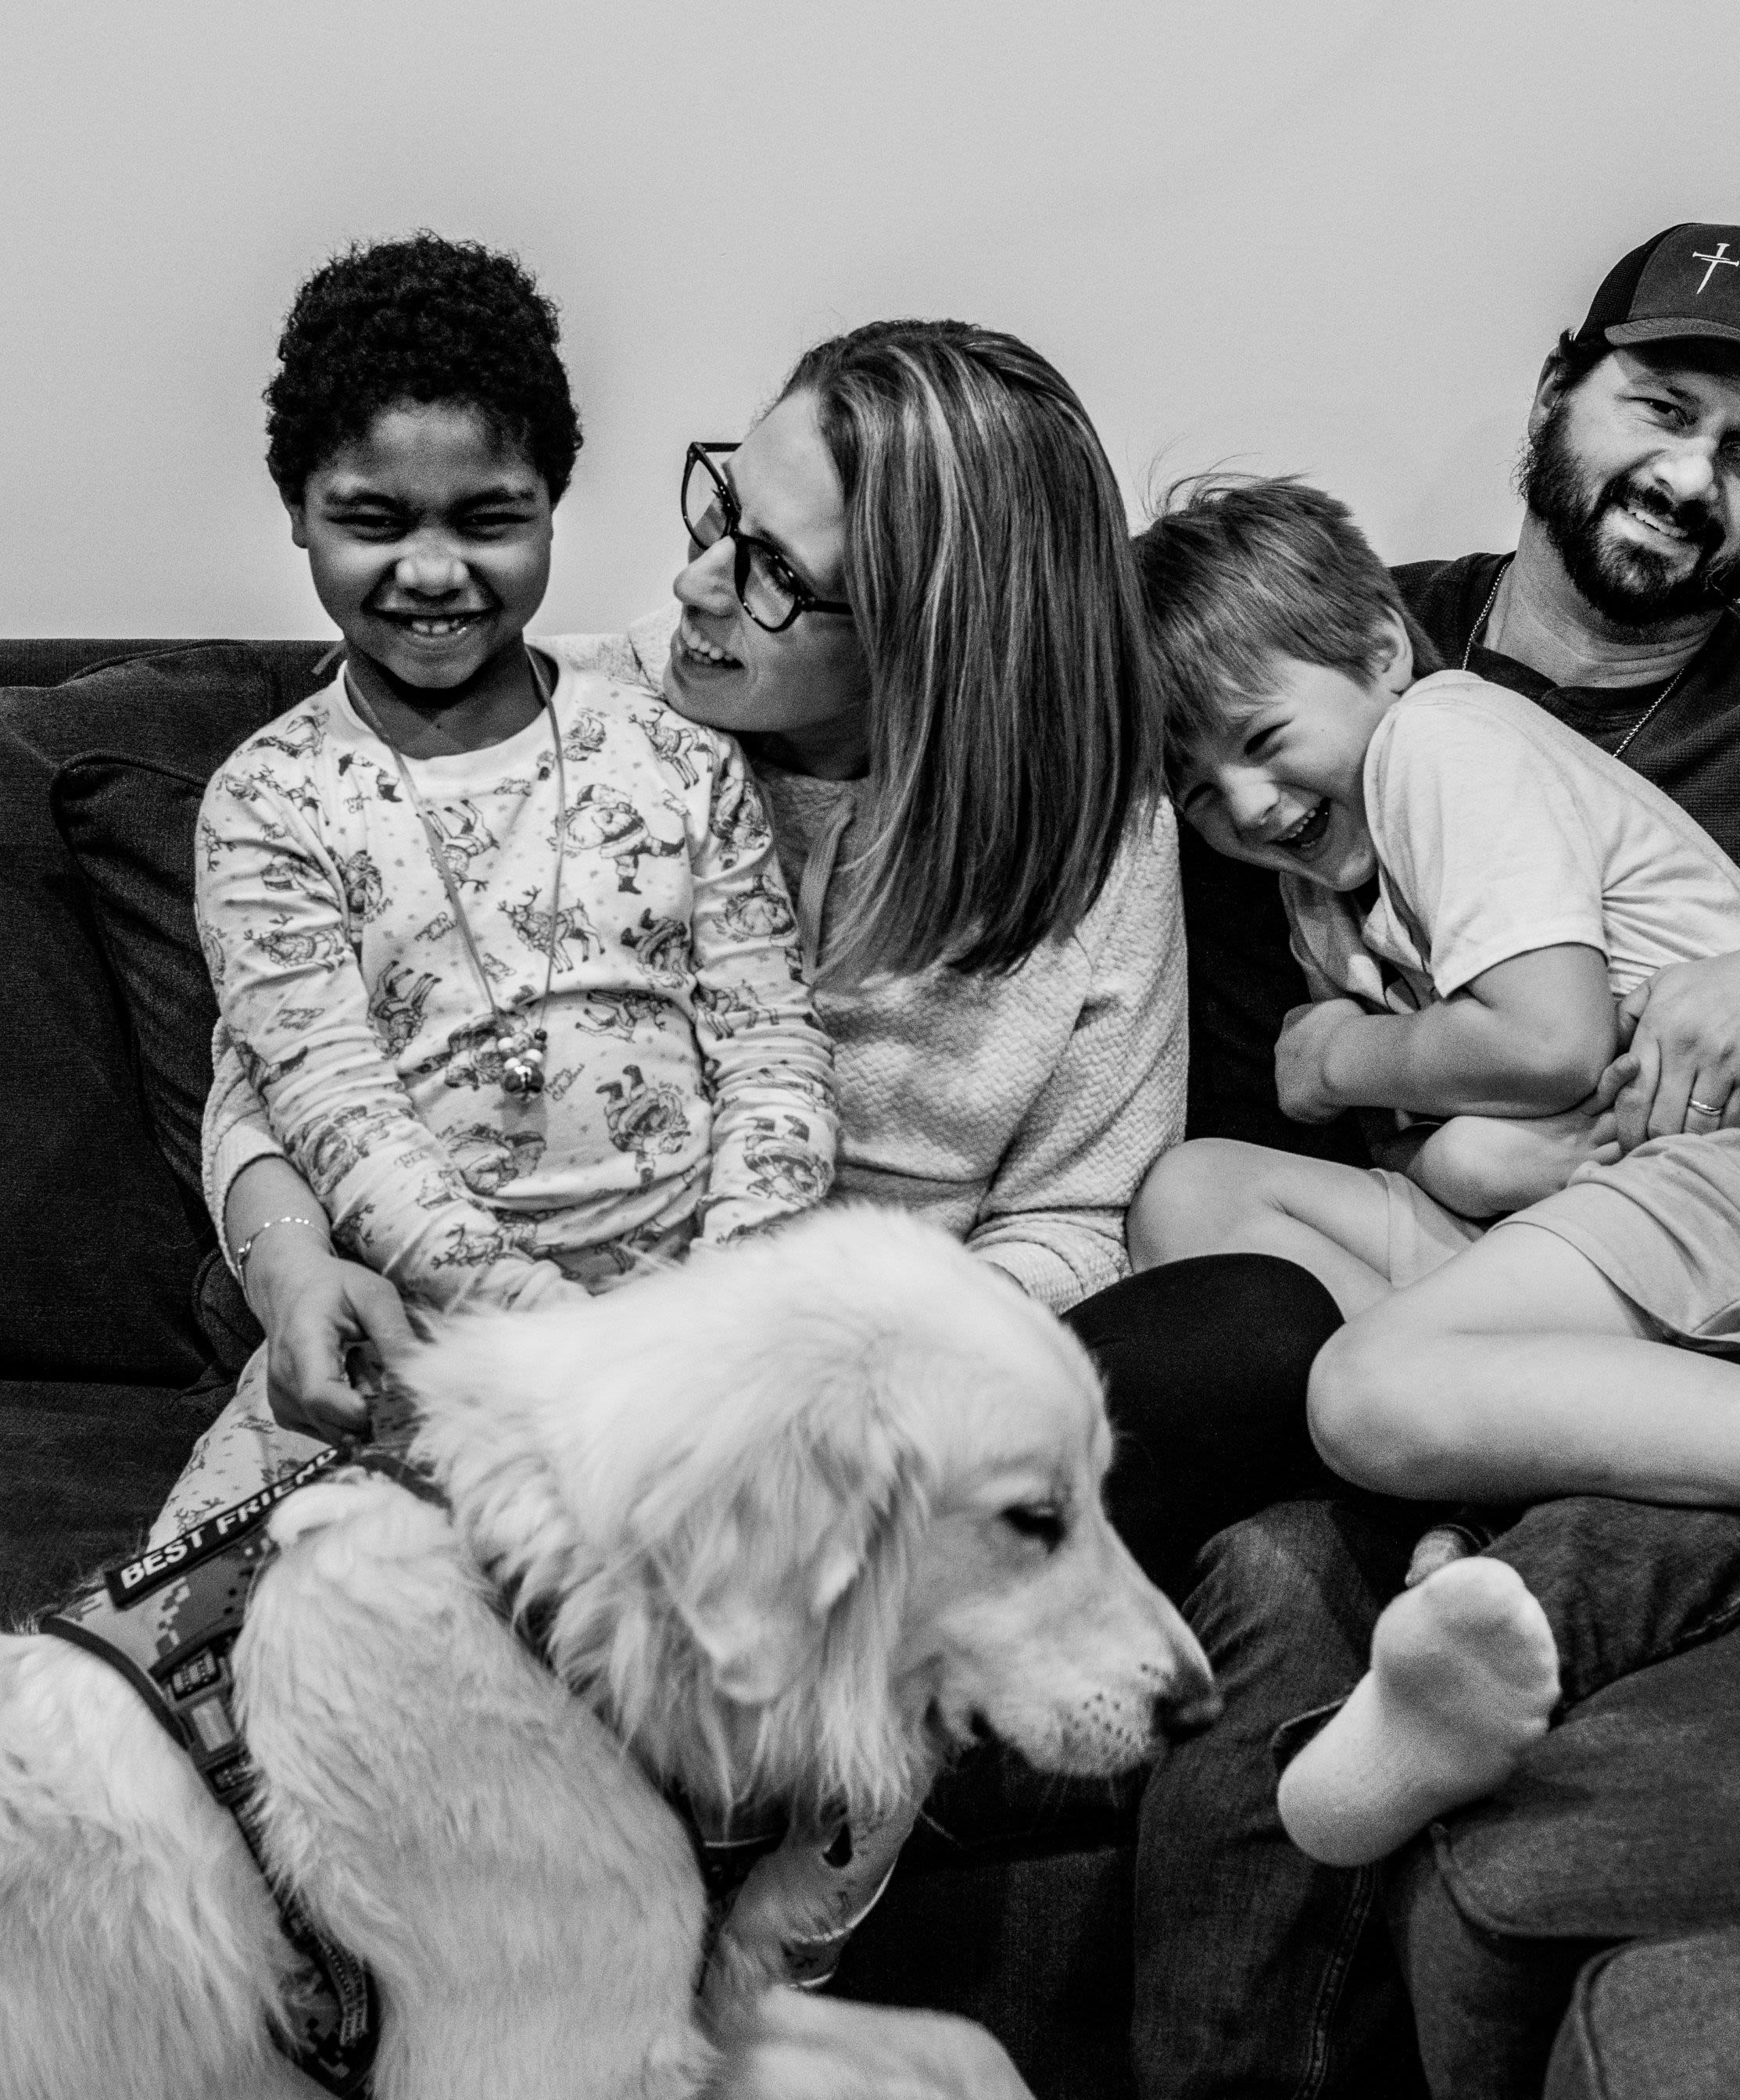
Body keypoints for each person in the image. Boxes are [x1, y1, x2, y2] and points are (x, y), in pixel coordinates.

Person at [213, 315, 1345, 1993]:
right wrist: (291, 1249)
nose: (690, 582)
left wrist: (867, 1364)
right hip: (557, 1350)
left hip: (891, 1403)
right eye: (710, 512)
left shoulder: (1092, 842)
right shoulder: (571, 714)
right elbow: (289, 1046)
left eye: (765, 568)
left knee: (1246, 1326)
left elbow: (1073, 1213)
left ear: (932, 641)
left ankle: (804, 1773)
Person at [1131, 225, 1740, 2097]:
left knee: (1466, 1512)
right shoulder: (1305, 663)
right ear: (1552, 397)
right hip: (1509, 1273)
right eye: (1659, 405)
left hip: (1729, 1266)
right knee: (1260, 1459)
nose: (1688, 471)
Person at [154, 233, 836, 1538]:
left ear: (551, 504)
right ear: (295, 506)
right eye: (371, 519)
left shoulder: (678, 758)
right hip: (421, 1336)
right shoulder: (267, 802)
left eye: (487, 519)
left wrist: (714, 1318)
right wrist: (557, 1340)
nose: (429, 568)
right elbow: (335, 1113)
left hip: (700, 1345)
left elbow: (775, 1056)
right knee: (205, 1654)